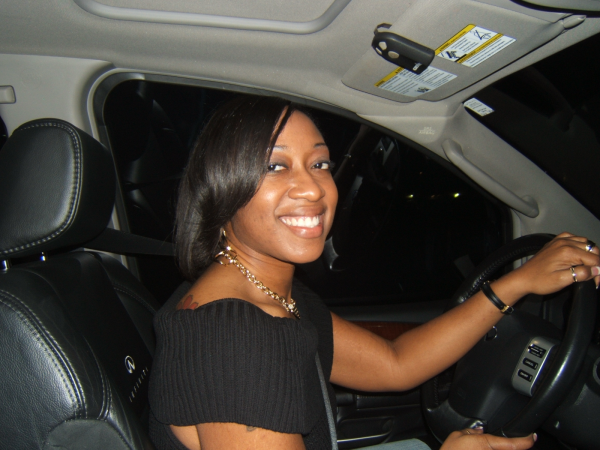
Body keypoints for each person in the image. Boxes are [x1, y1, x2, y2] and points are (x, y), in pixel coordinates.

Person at [148, 95, 600, 450]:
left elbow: (394, 363)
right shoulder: (234, 338)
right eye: (275, 166)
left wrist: (518, 282)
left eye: (319, 164)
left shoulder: (271, 292)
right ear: (221, 186)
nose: (313, 188)